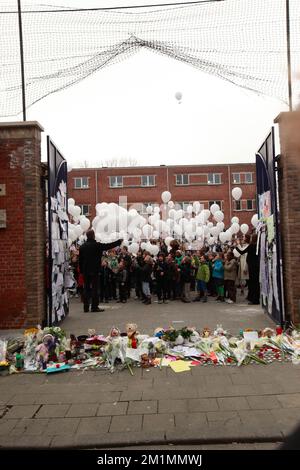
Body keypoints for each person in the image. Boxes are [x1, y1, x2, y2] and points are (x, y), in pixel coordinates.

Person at [79, 230, 122, 312]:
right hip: (95, 270)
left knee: (86, 289)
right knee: (95, 289)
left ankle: (86, 307)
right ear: (93, 236)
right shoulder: (96, 245)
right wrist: (118, 242)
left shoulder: (82, 247)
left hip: (86, 271)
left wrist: (81, 271)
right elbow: (108, 246)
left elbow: (80, 260)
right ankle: (94, 307)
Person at [234, 233, 260, 305]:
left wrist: (236, 246)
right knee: (256, 283)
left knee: (252, 284)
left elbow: (242, 252)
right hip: (256, 266)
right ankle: (255, 299)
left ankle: (254, 300)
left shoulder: (251, 246)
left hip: (252, 267)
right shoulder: (258, 246)